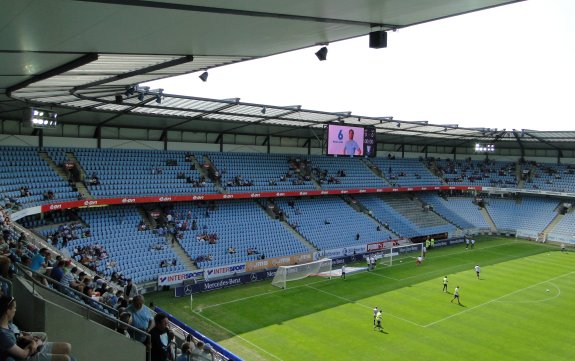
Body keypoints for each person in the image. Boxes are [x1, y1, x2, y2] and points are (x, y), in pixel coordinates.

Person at [0, 295, 74, 361]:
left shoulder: (8, 324)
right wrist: (35, 343)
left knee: (67, 347)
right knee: (66, 359)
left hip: (29, 348)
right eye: (14, 308)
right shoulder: (2, 335)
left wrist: (25, 337)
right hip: (27, 356)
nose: (15, 310)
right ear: (7, 311)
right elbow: (23, 354)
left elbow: (15, 337)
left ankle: (41, 347)